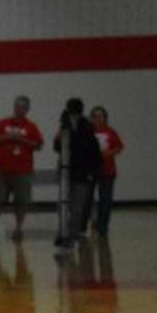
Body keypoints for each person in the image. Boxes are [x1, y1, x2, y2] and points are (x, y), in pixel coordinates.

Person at [0, 95, 42, 242]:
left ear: (27, 110)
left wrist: (22, 140)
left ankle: (18, 229)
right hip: (2, 171)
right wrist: (7, 137)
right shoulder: (3, 123)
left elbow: (38, 145)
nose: (18, 109)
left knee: (21, 201)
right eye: (16, 106)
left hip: (23, 172)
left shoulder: (31, 126)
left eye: (22, 107)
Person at [53, 97, 102, 253]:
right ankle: (63, 234)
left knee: (76, 208)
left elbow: (92, 154)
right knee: (63, 205)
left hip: (80, 173)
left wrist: (91, 174)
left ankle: (71, 236)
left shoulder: (87, 129)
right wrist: (62, 131)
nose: (73, 116)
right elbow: (57, 146)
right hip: (67, 173)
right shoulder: (66, 127)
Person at [90, 106, 123, 238]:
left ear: (105, 118)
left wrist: (108, 153)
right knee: (88, 199)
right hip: (91, 170)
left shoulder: (110, 132)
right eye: (95, 116)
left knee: (106, 200)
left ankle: (102, 227)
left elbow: (119, 147)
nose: (98, 118)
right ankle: (91, 222)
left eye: (101, 116)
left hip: (107, 170)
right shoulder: (88, 131)